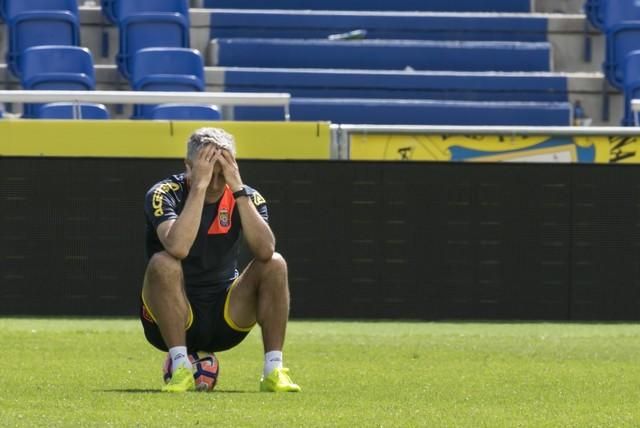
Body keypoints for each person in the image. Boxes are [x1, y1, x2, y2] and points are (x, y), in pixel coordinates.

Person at [140, 127, 301, 393]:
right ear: (188, 166)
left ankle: (274, 371)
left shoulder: (246, 196)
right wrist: (199, 188)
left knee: (275, 263)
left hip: (225, 316)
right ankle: (181, 368)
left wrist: (237, 189)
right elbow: (178, 247)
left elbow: (264, 250)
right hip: (170, 318)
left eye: (222, 174)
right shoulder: (164, 193)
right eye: (208, 173)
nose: (216, 183)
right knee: (163, 262)